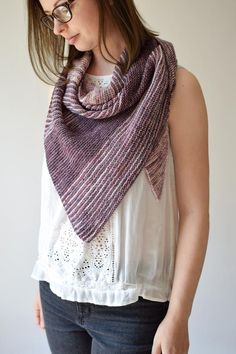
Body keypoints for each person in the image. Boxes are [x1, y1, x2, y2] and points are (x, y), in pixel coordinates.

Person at [27, 1, 209, 353]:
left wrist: (179, 315)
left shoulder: (174, 86)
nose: (57, 28)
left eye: (62, 9)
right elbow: (55, 204)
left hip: (132, 305)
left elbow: (195, 212)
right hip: (57, 292)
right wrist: (43, 274)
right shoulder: (62, 92)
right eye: (49, 17)